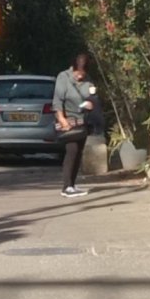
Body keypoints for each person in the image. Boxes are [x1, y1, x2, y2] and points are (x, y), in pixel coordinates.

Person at [52, 53, 95, 198]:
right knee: (72, 150)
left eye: (83, 73)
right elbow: (57, 101)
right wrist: (61, 119)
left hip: (82, 121)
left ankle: (72, 184)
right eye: (78, 73)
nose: (80, 76)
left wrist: (90, 104)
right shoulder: (63, 77)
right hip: (68, 121)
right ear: (73, 68)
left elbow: (92, 98)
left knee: (78, 152)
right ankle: (66, 186)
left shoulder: (88, 80)